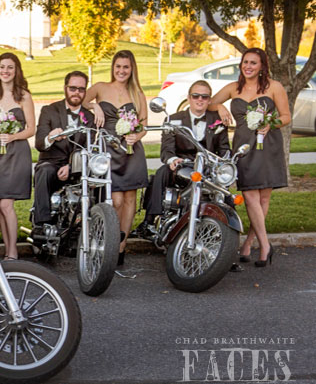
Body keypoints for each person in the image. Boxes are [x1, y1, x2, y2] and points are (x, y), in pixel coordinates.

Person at [209, 47, 291, 267]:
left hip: (268, 146)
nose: (248, 66)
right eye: (245, 62)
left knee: (263, 199)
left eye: (253, 63)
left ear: (262, 66)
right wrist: (219, 108)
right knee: (249, 196)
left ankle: (249, 244)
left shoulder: (274, 87)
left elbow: (286, 117)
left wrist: (269, 123)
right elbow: (209, 103)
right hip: (244, 147)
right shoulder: (233, 88)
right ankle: (265, 245)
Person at [135, 80, 230, 238]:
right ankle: (149, 222)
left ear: (209, 100)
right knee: (161, 173)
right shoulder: (173, 119)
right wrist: (172, 159)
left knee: (226, 191)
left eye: (204, 97)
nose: (200, 99)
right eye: (196, 96)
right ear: (189, 98)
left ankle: (226, 234)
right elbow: (166, 148)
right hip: (181, 165)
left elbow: (225, 148)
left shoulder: (217, 120)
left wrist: (225, 163)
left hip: (208, 168)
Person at [83, 50, 149, 266]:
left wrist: (136, 135)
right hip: (108, 151)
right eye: (118, 66)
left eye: (126, 67)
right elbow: (80, 100)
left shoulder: (138, 93)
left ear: (132, 70)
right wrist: (95, 106)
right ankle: (110, 243)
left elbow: (144, 125)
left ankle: (121, 247)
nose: (121, 71)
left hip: (131, 152)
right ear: (113, 67)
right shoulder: (101, 87)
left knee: (130, 199)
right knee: (116, 200)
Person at [0, 52, 35, 261]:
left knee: (6, 204)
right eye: (2, 67)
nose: (6, 71)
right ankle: (8, 248)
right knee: (1, 204)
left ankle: (13, 253)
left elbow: (31, 129)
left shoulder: (24, 96)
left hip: (17, 152)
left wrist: (13, 136)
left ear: (17, 70)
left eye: (10, 67)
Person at [33, 71, 95, 227]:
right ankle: (42, 225)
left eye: (81, 89)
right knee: (44, 171)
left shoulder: (90, 117)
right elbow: (39, 143)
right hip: (51, 164)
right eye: (73, 88)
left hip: (78, 167)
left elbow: (90, 147)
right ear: (65, 88)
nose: (77, 93)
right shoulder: (49, 110)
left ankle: (99, 224)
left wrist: (72, 166)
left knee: (100, 176)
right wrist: (51, 137)